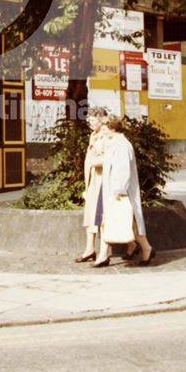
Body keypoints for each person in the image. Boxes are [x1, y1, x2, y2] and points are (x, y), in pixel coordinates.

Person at [93, 114, 156, 268]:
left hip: (118, 191)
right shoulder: (115, 142)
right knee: (108, 220)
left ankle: (146, 248)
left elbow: (122, 169)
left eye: (104, 128)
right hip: (111, 189)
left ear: (111, 128)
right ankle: (103, 254)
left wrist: (119, 190)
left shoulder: (121, 144)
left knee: (126, 221)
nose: (103, 131)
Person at [74, 107, 111, 263]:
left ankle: (109, 251)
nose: (90, 123)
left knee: (100, 216)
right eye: (88, 119)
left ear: (102, 120)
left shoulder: (106, 136)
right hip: (92, 180)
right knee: (90, 214)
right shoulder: (93, 135)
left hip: (102, 180)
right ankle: (90, 249)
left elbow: (109, 158)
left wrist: (94, 163)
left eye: (93, 120)